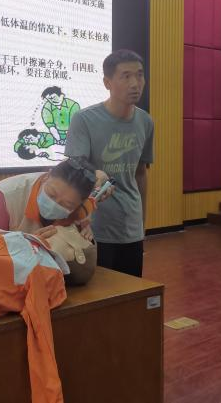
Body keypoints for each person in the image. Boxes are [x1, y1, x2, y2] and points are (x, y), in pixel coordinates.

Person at [65, 49, 153, 277]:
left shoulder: (145, 122)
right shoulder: (84, 120)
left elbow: (140, 173)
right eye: (126, 76)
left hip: (131, 228)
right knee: (99, 293)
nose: (135, 83)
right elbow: (74, 169)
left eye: (140, 75)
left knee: (131, 291)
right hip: (94, 227)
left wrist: (141, 224)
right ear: (107, 83)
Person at [0, 156, 97, 241]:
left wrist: (81, 231)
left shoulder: (81, 208)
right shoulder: (5, 197)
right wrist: (31, 245)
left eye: (66, 204)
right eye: (51, 194)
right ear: (47, 176)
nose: (54, 205)